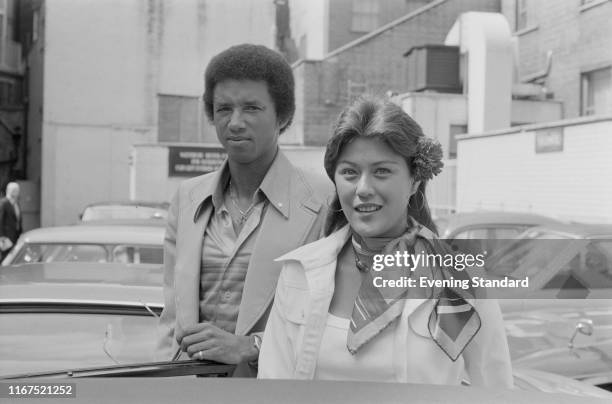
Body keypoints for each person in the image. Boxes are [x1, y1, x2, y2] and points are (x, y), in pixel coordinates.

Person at [258, 95, 513, 387]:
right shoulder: (298, 273)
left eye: (382, 171)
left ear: (414, 180)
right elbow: (273, 384)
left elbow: (496, 389)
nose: (363, 188)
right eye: (350, 172)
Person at [156, 44, 330, 377]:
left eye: (251, 108)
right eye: (223, 108)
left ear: (282, 116)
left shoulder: (323, 201)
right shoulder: (187, 197)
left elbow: (334, 323)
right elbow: (171, 318)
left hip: (275, 389)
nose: (235, 122)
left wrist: (251, 346)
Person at [0, 182, 22, 260]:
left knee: (14, 258)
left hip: (15, 236)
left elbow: (18, 220)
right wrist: (2, 237)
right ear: (10, 191)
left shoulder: (16, 203)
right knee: (6, 258)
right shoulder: (4, 203)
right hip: (6, 238)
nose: (18, 192)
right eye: (16, 190)